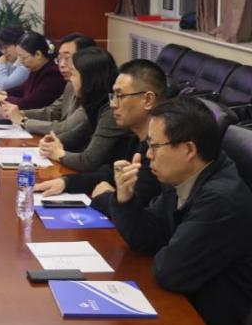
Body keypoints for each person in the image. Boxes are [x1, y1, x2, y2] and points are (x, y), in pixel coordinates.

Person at [110, 97, 252, 325]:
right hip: (190, 308)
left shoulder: (221, 200)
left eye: (155, 145)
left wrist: (167, 244)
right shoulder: (186, 176)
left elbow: (169, 272)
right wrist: (125, 200)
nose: (148, 154)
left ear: (188, 150)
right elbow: (147, 237)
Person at [36, 58, 166, 213]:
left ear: (148, 100)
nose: (113, 104)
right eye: (113, 96)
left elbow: (139, 210)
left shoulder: (160, 150)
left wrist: (105, 197)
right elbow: (110, 173)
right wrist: (66, 182)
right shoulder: (134, 137)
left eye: (120, 96)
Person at [36, 47, 134, 173]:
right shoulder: (97, 103)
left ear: (89, 79)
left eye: (74, 74)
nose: (70, 80)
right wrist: (52, 142)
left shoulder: (112, 111)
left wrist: (59, 154)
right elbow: (78, 134)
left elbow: (88, 161)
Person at [2, 32, 96, 142]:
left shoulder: (95, 91)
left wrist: (23, 121)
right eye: (60, 58)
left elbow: (65, 127)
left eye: (67, 58)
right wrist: (21, 113)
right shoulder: (70, 84)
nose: (61, 64)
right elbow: (52, 111)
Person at [0, 32, 64, 110]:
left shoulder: (53, 74)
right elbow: (24, 88)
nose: (21, 61)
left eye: (23, 57)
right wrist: (5, 93)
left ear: (38, 54)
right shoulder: (36, 69)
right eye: (19, 57)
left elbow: (31, 103)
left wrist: (3, 99)